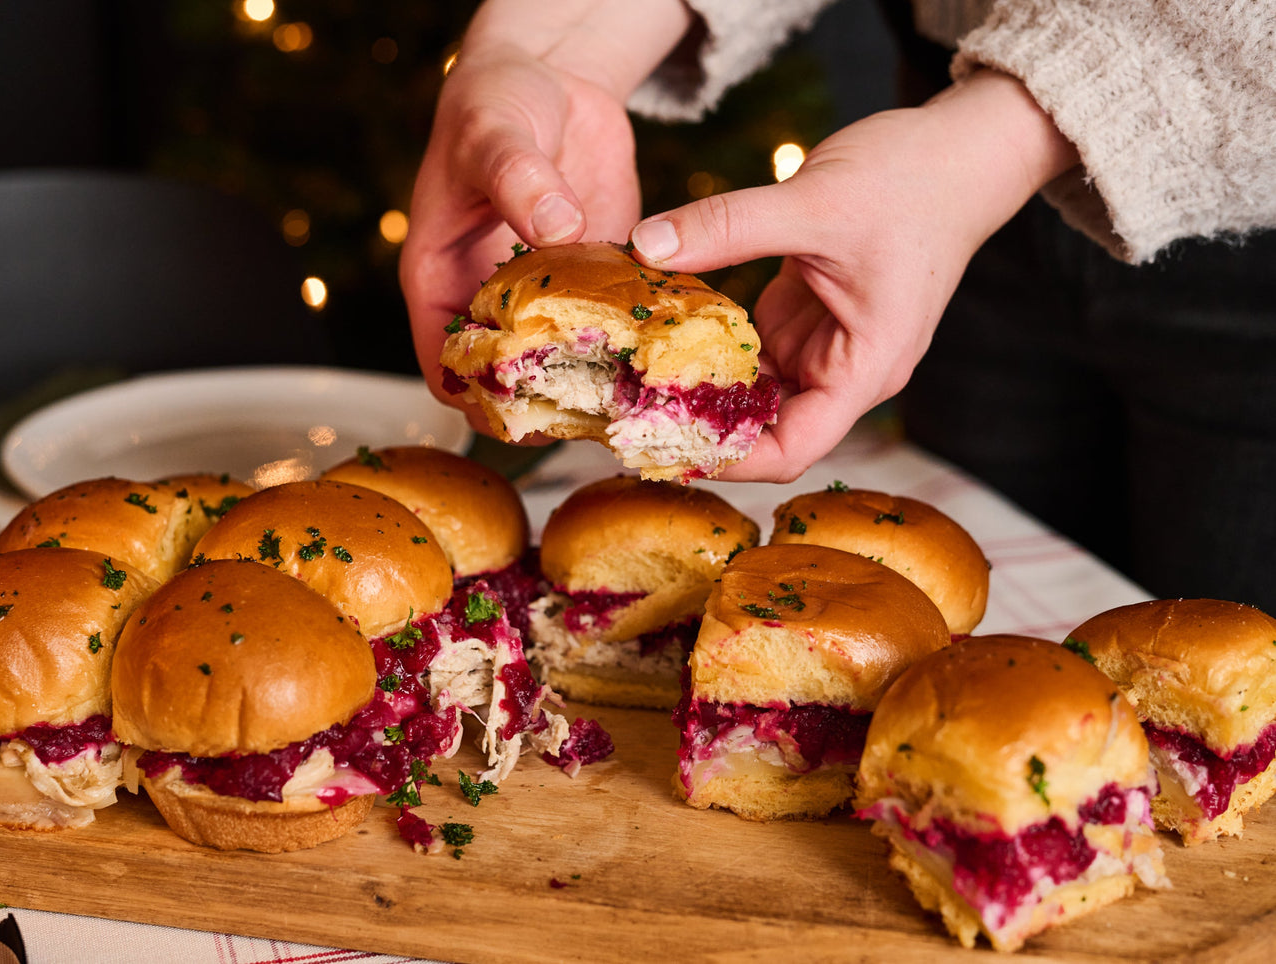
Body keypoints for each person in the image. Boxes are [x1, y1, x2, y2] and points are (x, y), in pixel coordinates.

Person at [399, 0, 1276, 609]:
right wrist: (560, 50)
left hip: (1243, 211)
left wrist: (993, 140)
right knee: (979, 615)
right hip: (943, 190)